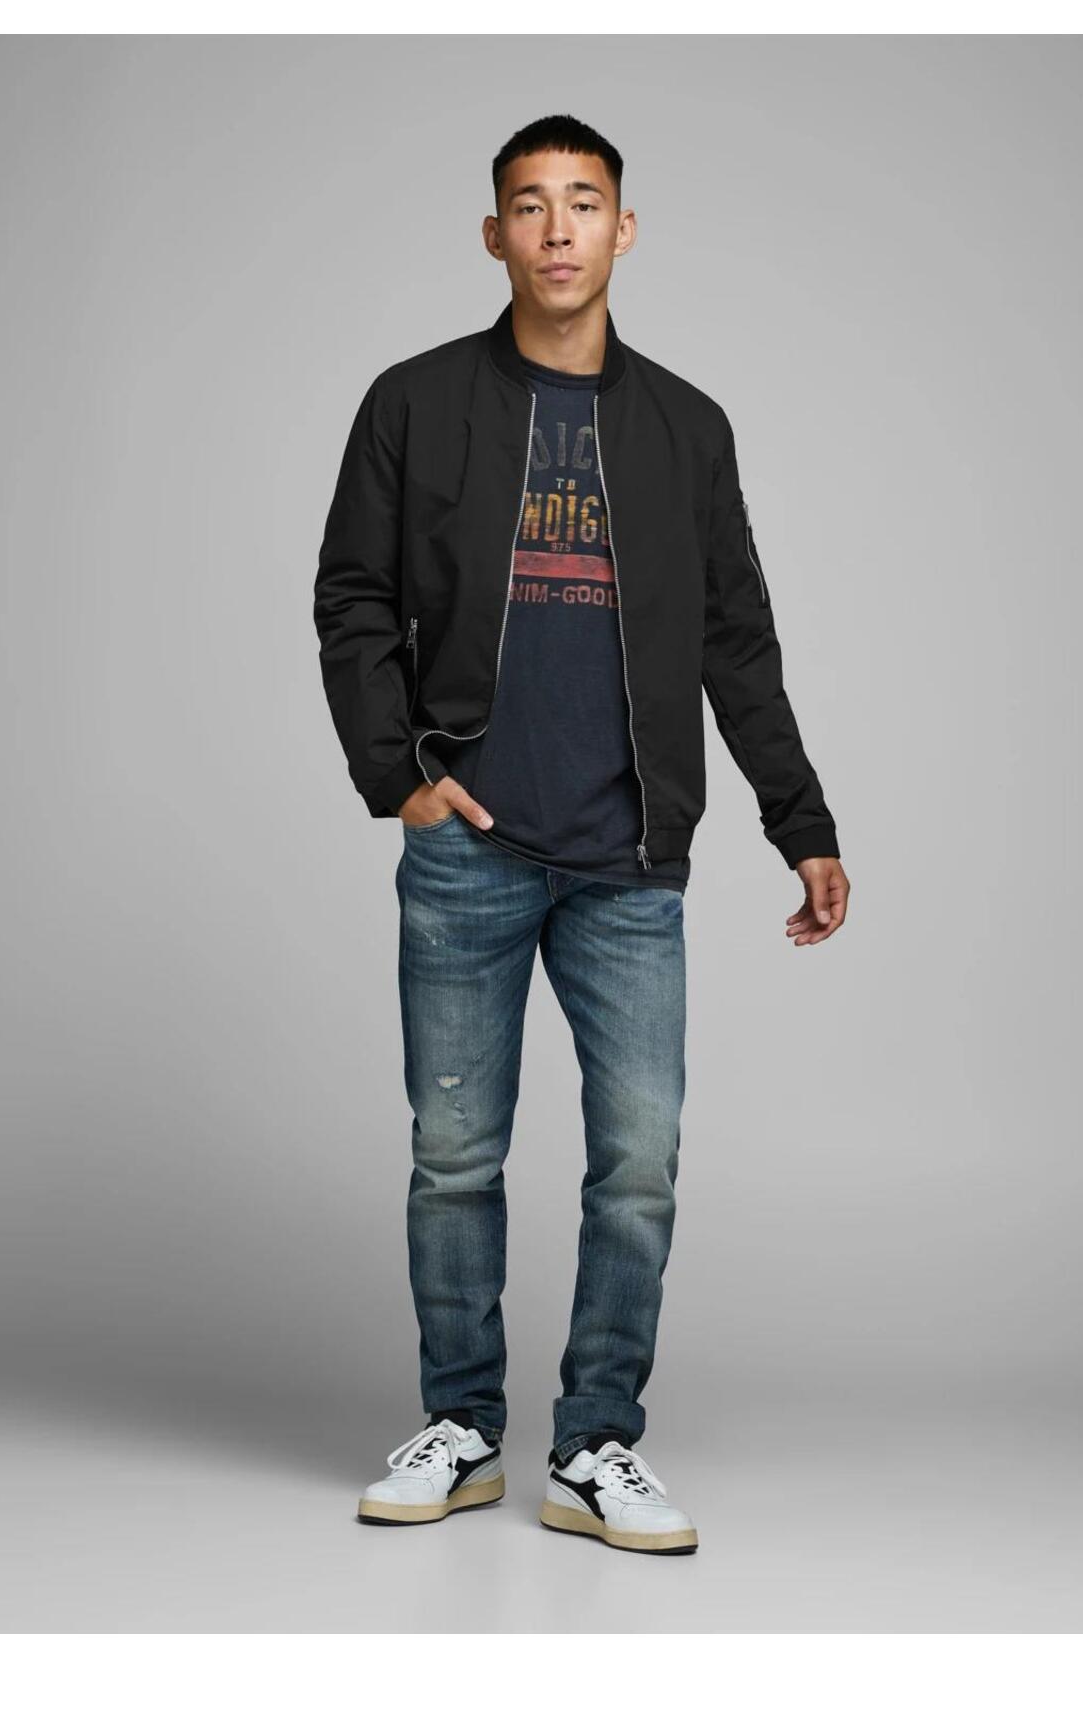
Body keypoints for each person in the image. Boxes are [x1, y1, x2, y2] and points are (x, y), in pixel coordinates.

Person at [312, 113, 850, 1556]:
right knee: (453, 1156)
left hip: (628, 861)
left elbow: (735, 639)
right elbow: (352, 596)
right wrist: (401, 777)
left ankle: (596, 1445)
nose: (559, 229)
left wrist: (798, 818)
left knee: (639, 1161)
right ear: (494, 234)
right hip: (469, 849)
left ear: (625, 229)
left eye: (585, 202)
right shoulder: (415, 402)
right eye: (531, 205)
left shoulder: (686, 427)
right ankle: (462, 1429)